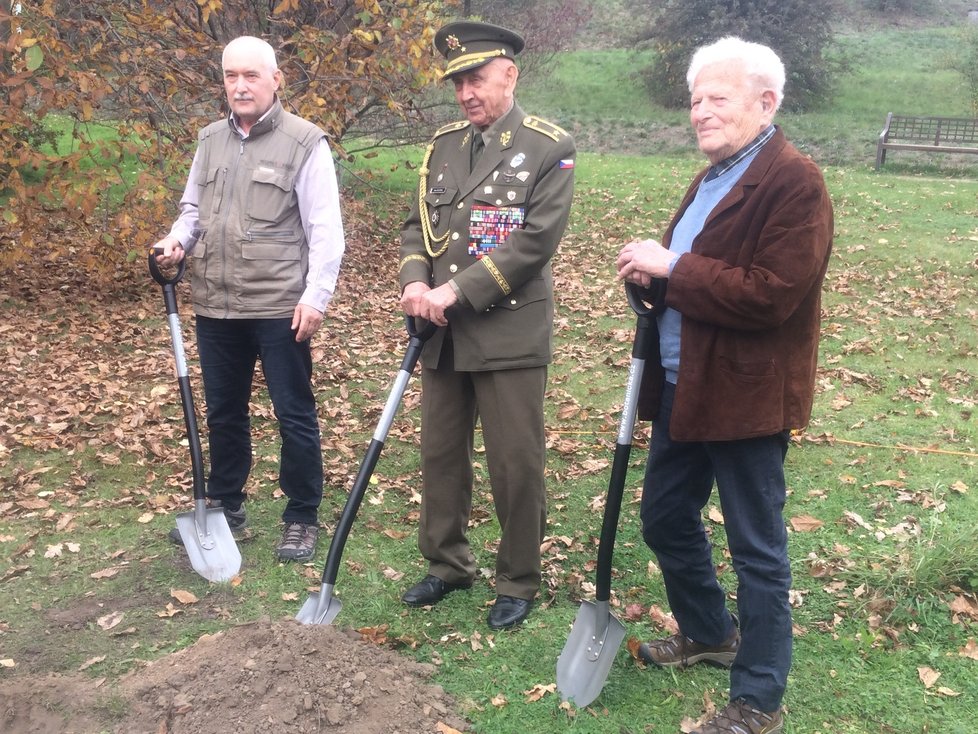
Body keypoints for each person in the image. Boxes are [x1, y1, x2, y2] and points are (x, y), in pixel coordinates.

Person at [615, 37, 833, 734]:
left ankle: (759, 698)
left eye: (718, 99)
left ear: (765, 103)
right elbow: (692, 274)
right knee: (664, 518)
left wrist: (672, 266)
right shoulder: (714, 177)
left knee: (757, 550)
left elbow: (771, 295)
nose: (701, 113)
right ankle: (711, 631)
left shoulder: (794, 181)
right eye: (695, 101)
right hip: (686, 384)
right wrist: (652, 280)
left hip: (747, 396)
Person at [397, 21, 575, 629]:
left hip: (507, 332)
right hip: (440, 332)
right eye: (458, 82)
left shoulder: (549, 147)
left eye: (477, 77)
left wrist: (456, 289)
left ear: (509, 74)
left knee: (514, 462)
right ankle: (447, 564)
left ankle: (518, 577)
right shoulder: (443, 146)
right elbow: (416, 227)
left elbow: (533, 243)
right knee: (441, 455)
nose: (467, 91)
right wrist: (415, 282)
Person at [153, 35, 345, 563]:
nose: (240, 86)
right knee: (224, 413)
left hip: (281, 304)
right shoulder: (210, 139)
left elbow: (326, 229)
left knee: (293, 412)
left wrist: (316, 296)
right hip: (216, 302)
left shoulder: (306, 142)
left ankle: (301, 515)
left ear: (276, 80)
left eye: (252, 76)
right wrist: (176, 241)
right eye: (231, 76)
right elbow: (193, 210)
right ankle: (226, 505)